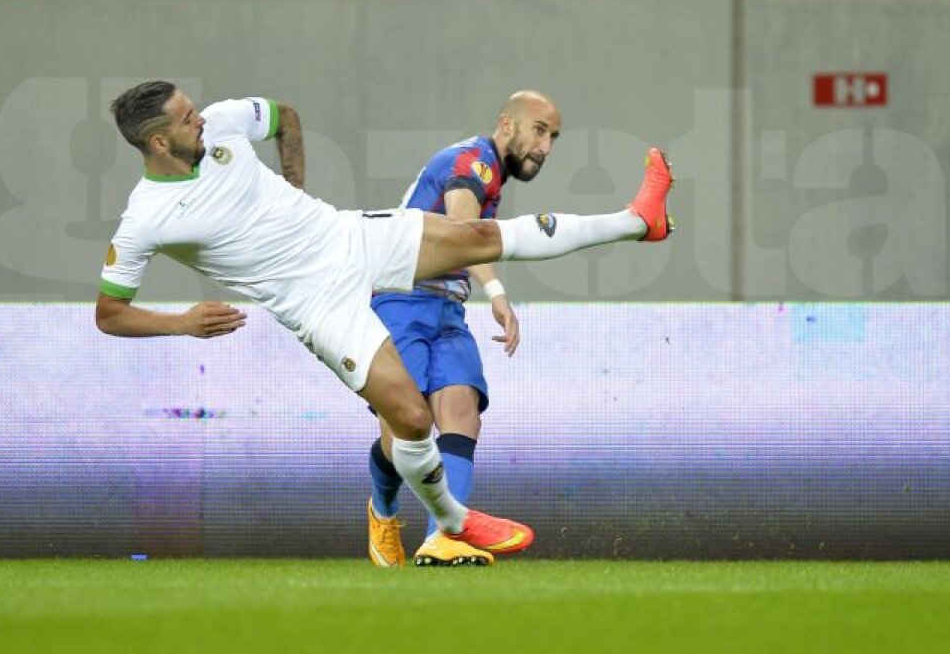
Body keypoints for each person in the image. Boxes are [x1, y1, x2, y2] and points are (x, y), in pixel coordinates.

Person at [96, 81, 674, 557]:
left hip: (349, 236)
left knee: (476, 237)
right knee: (409, 417)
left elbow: (285, 117)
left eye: (193, 109)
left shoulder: (222, 121)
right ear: (158, 140)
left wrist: (294, 187)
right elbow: (110, 314)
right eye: (185, 117)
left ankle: (636, 219)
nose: (199, 118)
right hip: (314, 304)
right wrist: (184, 322)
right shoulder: (147, 218)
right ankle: (452, 519)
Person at [365, 90, 559, 568]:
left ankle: (442, 538)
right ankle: (382, 513)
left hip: (447, 310)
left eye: (554, 137)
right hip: (400, 299)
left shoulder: (492, 175)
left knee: (462, 412)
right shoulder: (473, 162)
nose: (546, 146)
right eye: (539, 130)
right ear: (507, 125)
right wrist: (495, 291)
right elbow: (460, 229)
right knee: (406, 426)